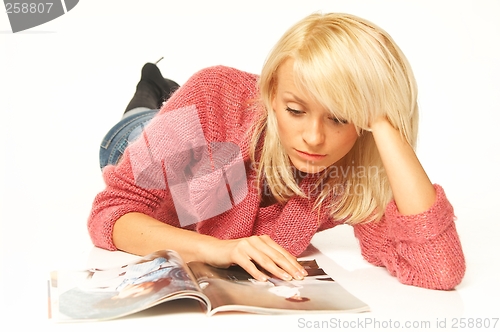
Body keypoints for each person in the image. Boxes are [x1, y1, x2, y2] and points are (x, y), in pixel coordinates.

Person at [88, 12, 466, 290]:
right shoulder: (213, 96)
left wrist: (385, 122)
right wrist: (219, 250)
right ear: (270, 94)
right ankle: (151, 89)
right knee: (140, 123)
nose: (314, 138)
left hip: (195, 139)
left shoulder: (355, 163)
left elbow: (439, 270)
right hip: (137, 141)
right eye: (295, 111)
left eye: (339, 118)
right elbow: (112, 213)